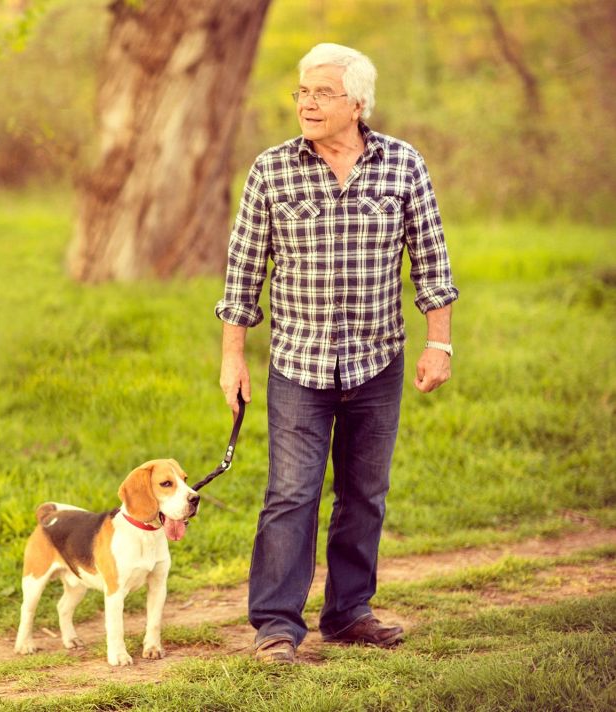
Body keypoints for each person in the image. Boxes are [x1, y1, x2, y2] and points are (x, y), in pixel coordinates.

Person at [215, 43, 459, 664]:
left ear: (357, 102)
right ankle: (276, 625)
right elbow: (243, 275)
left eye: (322, 92)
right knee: (291, 494)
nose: (307, 102)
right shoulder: (271, 170)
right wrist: (233, 359)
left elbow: (430, 263)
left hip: (378, 359)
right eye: (301, 91)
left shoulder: (403, 165)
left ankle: (349, 612)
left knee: (364, 493)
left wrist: (439, 342)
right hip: (298, 361)